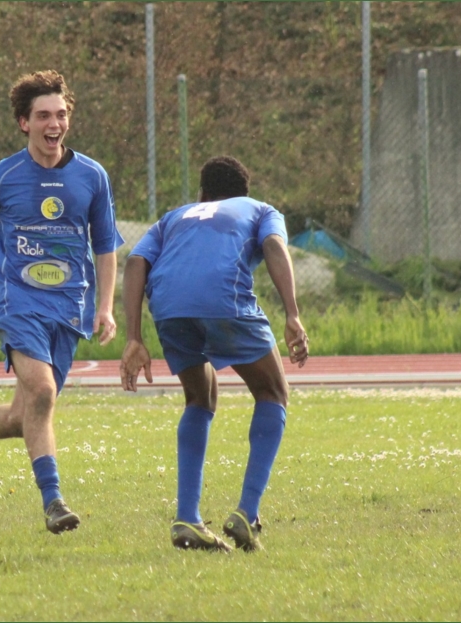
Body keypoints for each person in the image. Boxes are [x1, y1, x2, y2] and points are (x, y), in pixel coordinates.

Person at [0, 69, 124, 535]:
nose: (55, 124)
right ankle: (54, 502)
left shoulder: (92, 175)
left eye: (62, 114)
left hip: (69, 309)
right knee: (44, 393)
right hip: (19, 303)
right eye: (44, 116)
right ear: (24, 123)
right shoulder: (3, 176)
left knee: (23, 416)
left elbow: (106, 246)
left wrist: (105, 307)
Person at [119, 156, 308, 552]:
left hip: (168, 306)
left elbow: (136, 262)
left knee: (200, 398)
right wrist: (292, 314)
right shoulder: (260, 209)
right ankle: (246, 514)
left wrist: (134, 337)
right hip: (224, 300)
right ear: (244, 191)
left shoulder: (174, 216)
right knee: (273, 393)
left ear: (202, 193)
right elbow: (274, 245)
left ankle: (187, 518)